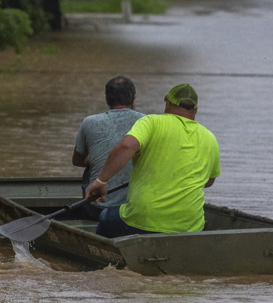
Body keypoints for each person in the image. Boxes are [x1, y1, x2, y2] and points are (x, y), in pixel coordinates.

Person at [84, 83, 220, 238]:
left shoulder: (151, 122)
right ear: (195, 110)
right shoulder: (210, 138)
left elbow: (127, 145)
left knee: (105, 216)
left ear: (167, 103)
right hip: (189, 226)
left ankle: (105, 259)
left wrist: (100, 182)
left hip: (144, 220)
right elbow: (209, 181)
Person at [73, 76, 143, 219]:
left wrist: (99, 158)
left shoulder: (89, 122)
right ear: (133, 98)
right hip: (136, 209)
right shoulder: (147, 122)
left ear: (106, 98)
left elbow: (77, 161)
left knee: (89, 171)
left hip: (97, 209)